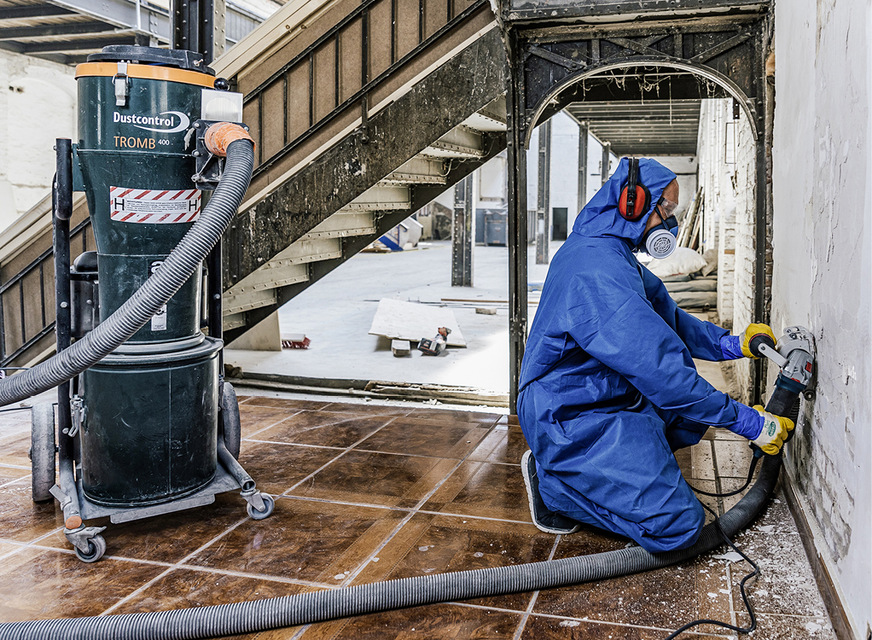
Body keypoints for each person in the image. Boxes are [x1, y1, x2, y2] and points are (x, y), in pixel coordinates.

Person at [518, 157, 794, 553]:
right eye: (666, 211)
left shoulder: (611, 251)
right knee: (678, 527)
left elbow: (669, 318)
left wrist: (731, 345)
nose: (671, 225)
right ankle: (556, 487)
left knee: (687, 413)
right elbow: (662, 371)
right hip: (569, 416)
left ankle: (618, 474)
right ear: (633, 204)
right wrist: (749, 423)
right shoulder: (595, 271)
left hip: (599, 395)